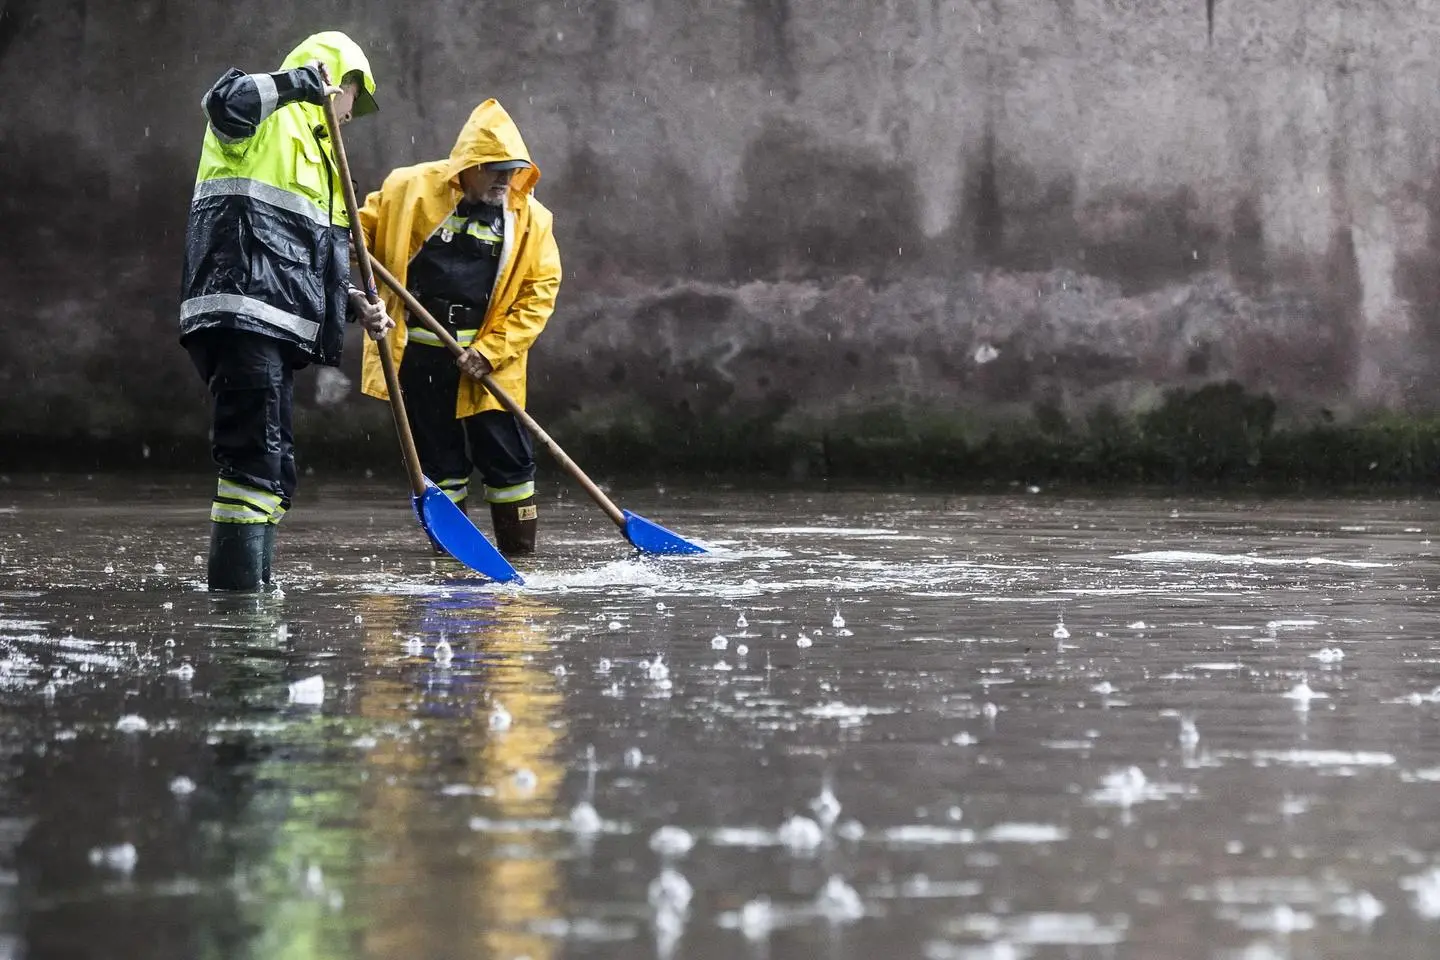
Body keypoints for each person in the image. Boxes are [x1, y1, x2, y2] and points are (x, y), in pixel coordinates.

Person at [179, 32, 394, 591]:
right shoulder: (266, 118)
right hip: (242, 312)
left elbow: (308, 264)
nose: (351, 115)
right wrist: (299, 84)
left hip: (274, 323)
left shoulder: (326, 160)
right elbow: (222, 101)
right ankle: (238, 606)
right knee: (252, 459)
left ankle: (248, 593)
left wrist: (352, 305)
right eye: (353, 99)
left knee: (272, 467)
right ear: (337, 82)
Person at [359, 99, 562, 556]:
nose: (504, 180)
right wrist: (353, 259)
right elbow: (354, 233)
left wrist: (490, 351)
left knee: (509, 462)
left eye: (512, 170)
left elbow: (538, 294)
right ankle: (452, 560)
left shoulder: (531, 220)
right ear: (468, 166)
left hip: (491, 366)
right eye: (494, 169)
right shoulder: (408, 190)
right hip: (422, 357)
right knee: (439, 463)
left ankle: (516, 557)